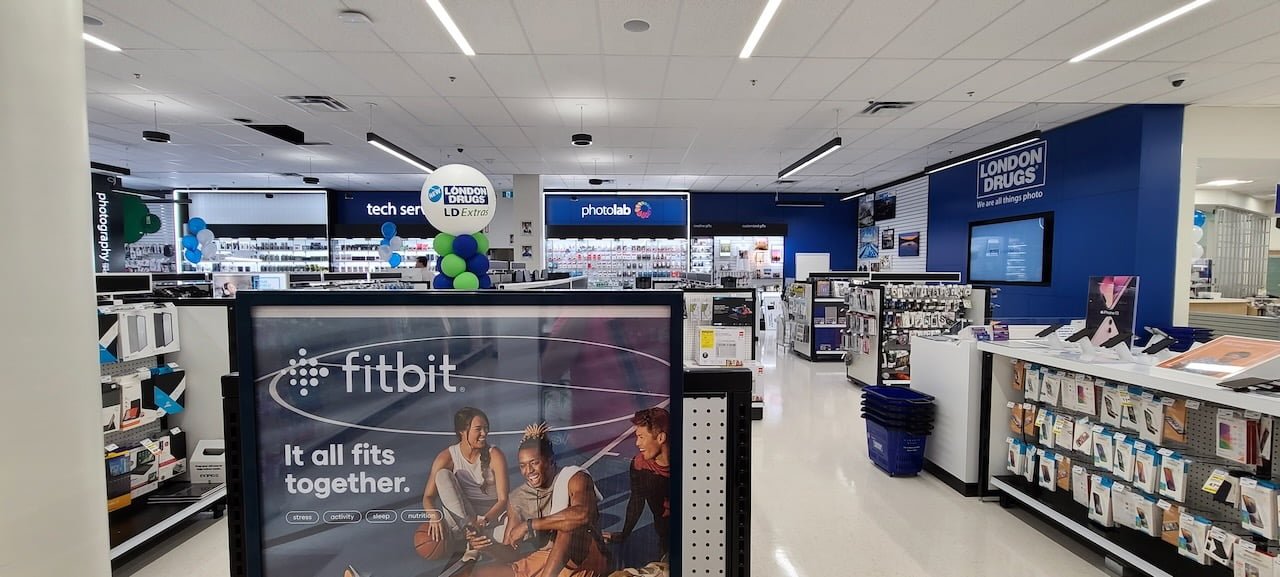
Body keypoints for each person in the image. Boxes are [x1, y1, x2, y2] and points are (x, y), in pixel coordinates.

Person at [464, 424, 607, 577]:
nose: (529, 470)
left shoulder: (574, 478)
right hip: (545, 559)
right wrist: (486, 546)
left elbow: (582, 514)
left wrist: (529, 525)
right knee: (477, 574)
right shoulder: (518, 498)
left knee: (566, 526)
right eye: (523, 465)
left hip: (583, 556)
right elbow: (510, 552)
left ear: (551, 461)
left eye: (534, 462)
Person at [422, 408, 509, 560]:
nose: (484, 433)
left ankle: (478, 541)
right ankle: (470, 537)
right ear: (462, 431)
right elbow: (428, 496)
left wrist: (484, 520)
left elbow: (503, 500)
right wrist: (433, 515)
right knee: (442, 475)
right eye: (478, 429)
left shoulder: (495, 454)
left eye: (486, 428)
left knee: (513, 529)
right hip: (463, 518)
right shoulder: (447, 456)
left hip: (489, 519)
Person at [604, 408, 670, 556]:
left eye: (641, 437)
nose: (637, 443)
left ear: (661, 438)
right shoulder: (640, 464)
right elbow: (636, 500)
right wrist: (624, 533)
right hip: (665, 531)